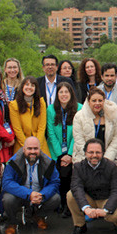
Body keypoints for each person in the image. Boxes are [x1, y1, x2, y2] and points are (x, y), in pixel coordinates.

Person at [1, 136, 60, 234]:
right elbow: (7, 182)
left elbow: (55, 182)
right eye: (29, 148)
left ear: (40, 149)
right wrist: (28, 194)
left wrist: (42, 195)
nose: (32, 151)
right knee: (7, 199)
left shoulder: (48, 163)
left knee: (56, 198)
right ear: (24, 149)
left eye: (35, 149)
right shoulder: (13, 162)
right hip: (20, 195)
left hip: (39, 195)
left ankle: (38, 216)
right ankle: (12, 222)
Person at [67, 138, 117, 234]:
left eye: (98, 152)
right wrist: (86, 208)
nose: (94, 155)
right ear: (85, 153)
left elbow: (116, 191)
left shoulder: (112, 167)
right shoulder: (78, 167)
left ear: (103, 153)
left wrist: (106, 210)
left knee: (114, 215)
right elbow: (76, 187)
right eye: (91, 152)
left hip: (106, 199)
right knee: (71, 195)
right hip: (90, 199)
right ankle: (80, 225)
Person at [45, 82, 82, 216]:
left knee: (67, 174)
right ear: (57, 94)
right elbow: (50, 132)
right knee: (57, 174)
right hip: (56, 151)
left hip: (73, 150)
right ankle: (59, 202)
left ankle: (68, 205)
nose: (64, 95)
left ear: (71, 94)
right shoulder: (50, 109)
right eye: (61, 92)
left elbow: (78, 133)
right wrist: (61, 155)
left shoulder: (79, 108)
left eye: (67, 92)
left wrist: (70, 154)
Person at [73, 87, 117, 164]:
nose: (97, 103)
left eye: (100, 100)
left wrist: (107, 158)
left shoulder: (112, 115)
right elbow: (79, 140)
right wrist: (91, 157)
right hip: (84, 158)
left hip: (109, 158)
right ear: (88, 101)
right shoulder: (79, 117)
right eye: (94, 100)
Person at [9, 76, 49, 157]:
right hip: (22, 144)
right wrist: (28, 147)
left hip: (40, 143)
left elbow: (42, 127)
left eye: (32, 85)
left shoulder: (41, 103)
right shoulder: (14, 105)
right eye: (27, 84)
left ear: (35, 88)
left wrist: (36, 146)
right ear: (22, 87)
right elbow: (17, 129)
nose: (29, 87)